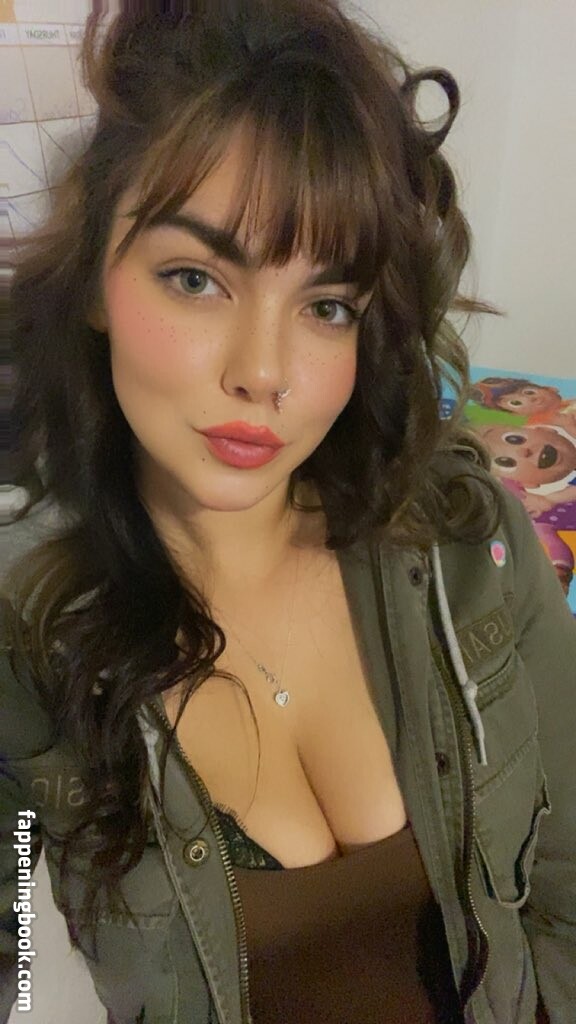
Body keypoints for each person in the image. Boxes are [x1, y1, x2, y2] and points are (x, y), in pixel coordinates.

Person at [2, 2, 575, 1022]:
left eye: (326, 305)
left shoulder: (469, 545)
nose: (263, 372)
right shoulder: (26, 626)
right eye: (196, 279)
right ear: (94, 279)